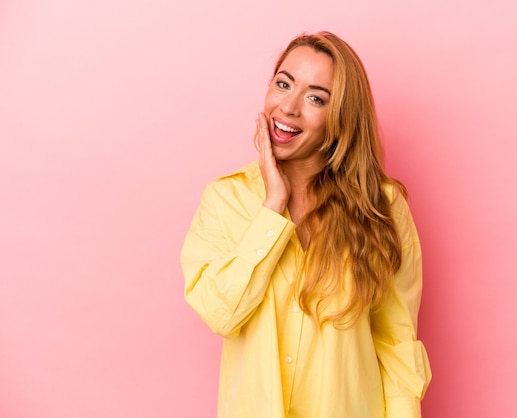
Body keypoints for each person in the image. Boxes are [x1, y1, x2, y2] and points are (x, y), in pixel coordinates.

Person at [180, 31, 431, 418]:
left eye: (316, 98)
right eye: (283, 84)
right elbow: (220, 313)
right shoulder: (225, 200)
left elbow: (396, 344)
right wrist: (273, 207)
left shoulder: (382, 206)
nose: (289, 107)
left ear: (340, 118)